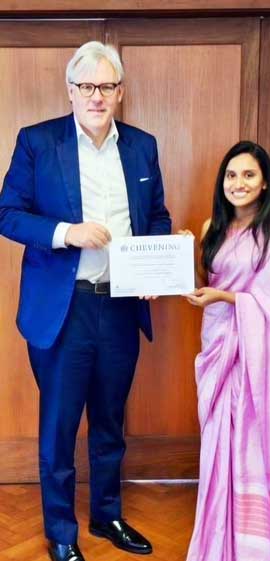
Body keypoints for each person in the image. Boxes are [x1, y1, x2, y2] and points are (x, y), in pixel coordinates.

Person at [0, 41, 170, 561]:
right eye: (87, 86)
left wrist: (156, 265)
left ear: (120, 92)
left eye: (107, 86)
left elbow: (157, 217)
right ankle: (60, 532)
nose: (97, 96)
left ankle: (107, 515)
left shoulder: (142, 146)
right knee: (59, 428)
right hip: (63, 311)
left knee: (110, 423)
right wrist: (66, 232)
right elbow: (8, 214)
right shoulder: (37, 141)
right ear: (70, 90)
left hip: (119, 307)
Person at [182, 141, 270, 561]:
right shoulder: (211, 227)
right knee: (219, 442)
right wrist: (185, 256)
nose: (238, 183)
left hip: (256, 360)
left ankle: (254, 544)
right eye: (231, 175)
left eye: (248, 175)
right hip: (219, 351)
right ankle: (219, 532)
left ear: (265, 184)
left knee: (250, 444)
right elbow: (204, 286)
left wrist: (227, 299)